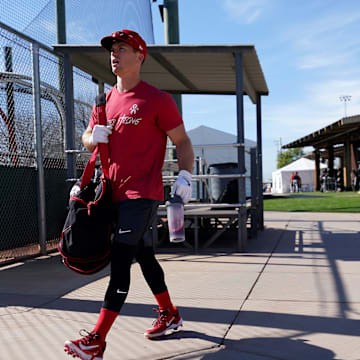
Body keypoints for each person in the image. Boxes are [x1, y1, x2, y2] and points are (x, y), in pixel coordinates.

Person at [64, 29, 194, 360]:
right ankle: (170, 312)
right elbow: (86, 140)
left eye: (122, 49)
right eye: (112, 50)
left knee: (120, 263)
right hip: (111, 195)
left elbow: (182, 141)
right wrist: (93, 137)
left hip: (142, 193)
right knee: (144, 256)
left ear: (140, 56)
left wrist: (185, 175)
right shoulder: (103, 101)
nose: (114, 54)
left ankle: (97, 339)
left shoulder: (157, 99)